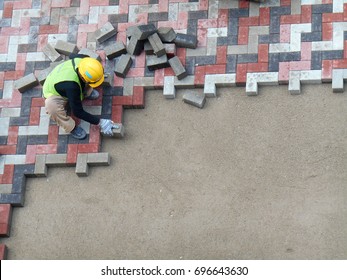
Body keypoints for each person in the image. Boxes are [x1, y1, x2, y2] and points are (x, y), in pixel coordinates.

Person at [43, 55, 117, 139]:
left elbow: (71, 55)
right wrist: (100, 122)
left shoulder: (85, 62)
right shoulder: (71, 86)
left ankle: (86, 92)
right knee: (53, 109)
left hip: (64, 76)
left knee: (86, 82)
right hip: (54, 92)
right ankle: (71, 128)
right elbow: (78, 112)